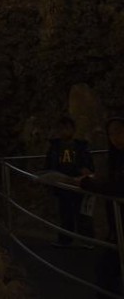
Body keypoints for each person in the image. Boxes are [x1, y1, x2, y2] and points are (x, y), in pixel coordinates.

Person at [77, 117, 124, 294]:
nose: (115, 138)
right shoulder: (116, 157)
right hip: (116, 224)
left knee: (106, 271)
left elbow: (118, 187)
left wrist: (89, 183)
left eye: (119, 132)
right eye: (111, 134)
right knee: (107, 272)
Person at [45, 116, 94, 246]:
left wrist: (86, 171)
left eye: (67, 128)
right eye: (61, 128)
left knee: (82, 213)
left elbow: (88, 163)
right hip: (62, 184)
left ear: (73, 129)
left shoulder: (81, 146)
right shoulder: (54, 146)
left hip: (78, 183)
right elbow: (49, 163)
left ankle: (87, 240)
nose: (64, 131)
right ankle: (65, 239)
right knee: (65, 213)